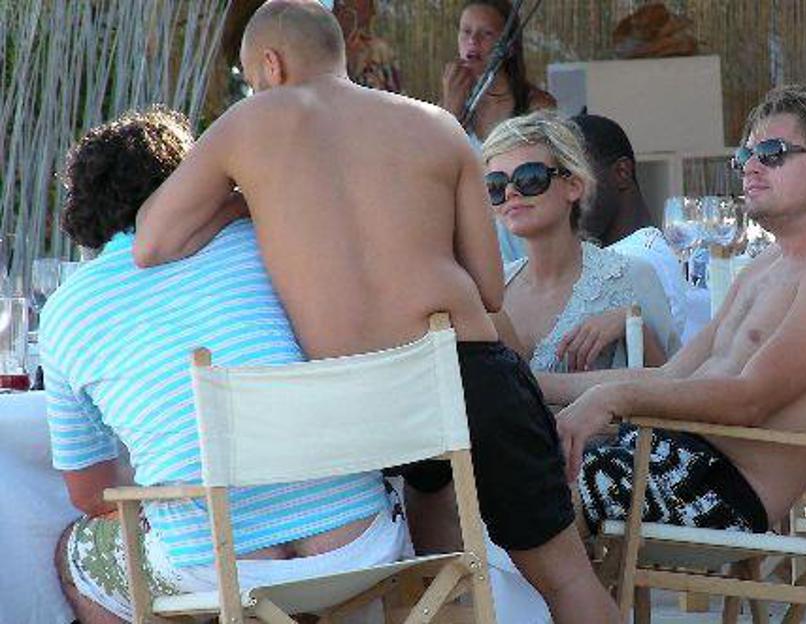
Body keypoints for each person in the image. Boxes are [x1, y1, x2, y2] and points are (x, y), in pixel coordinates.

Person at [132, 3, 620, 622]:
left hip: (359, 404)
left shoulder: (247, 123)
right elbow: (490, 289)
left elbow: (152, 242)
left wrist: (247, 199)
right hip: (462, 371)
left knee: (435, 570)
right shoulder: (437, 125)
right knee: (565, 578)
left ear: (271, 65)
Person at [44, 107, 409, 624]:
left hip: (213, 564)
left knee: (75, 552)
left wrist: (171, 475)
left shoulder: (66, 310)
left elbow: (90, 494)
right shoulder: (268, 240)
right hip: (355, 543)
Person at [542, 85, 806, 538]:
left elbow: (750, 399)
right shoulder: (767, 265)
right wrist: (530, 385)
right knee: (499, 459)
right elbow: (671, 376)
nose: (749, 166)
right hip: (664, 455)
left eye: (771, 153)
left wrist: (613, 399)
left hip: (719, 487)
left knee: (526, 490)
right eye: (745, 156)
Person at [482, 110, 677, 373]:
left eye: (529, 178)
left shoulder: (632, 277)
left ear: (573, 186)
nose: (510, 192)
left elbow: (674, 385)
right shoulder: (490, 292)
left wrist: (633, 326)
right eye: (495, 185)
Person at [441, 0, 556, 263]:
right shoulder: (447, 108)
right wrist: (450, 112)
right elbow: (435, 181)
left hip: (525, 246)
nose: (473, 41)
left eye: (486, 33)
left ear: (509, 46)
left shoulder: (536, 106)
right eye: (466, 32)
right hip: (472, 251)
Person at [572, 112, 688, 337]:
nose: (568, 194)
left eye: (576, 176)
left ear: (622, 172)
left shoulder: (637, 261)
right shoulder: (627, 253)